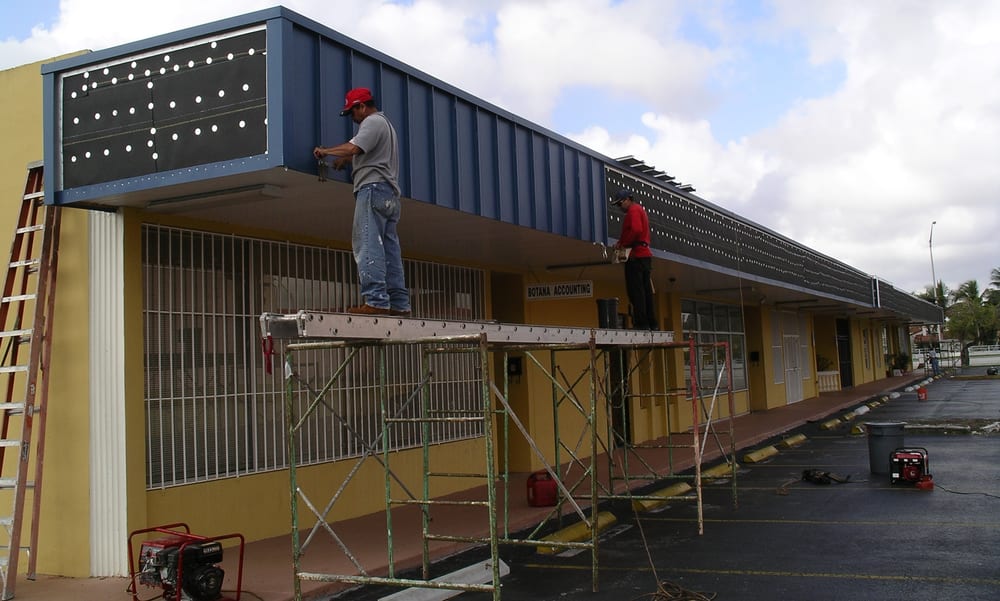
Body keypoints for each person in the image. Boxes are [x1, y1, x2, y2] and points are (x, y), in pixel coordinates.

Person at [314, 87, 411, 316]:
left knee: (367, 243)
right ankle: (399, 304)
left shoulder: (372, 122)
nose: (353, 119)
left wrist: (326, 152)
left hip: (372, 188)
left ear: (362, 106)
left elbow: (354, 146)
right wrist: (346, 160)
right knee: (389, 250)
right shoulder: (386, 125)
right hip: (389, 194)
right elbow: (357, 150)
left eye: (352, 112)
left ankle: (376, 300)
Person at [610, 189, 656, 329]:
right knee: (646, 290)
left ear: (627, 200)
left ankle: (642, 323)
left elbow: (635, 230)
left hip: (636, 255)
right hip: (644, 254)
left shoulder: (633, 211)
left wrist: (622, 244)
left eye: (620, 204)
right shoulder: (639, 210)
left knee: (636, 291)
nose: (619, 207)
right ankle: (651, 322)